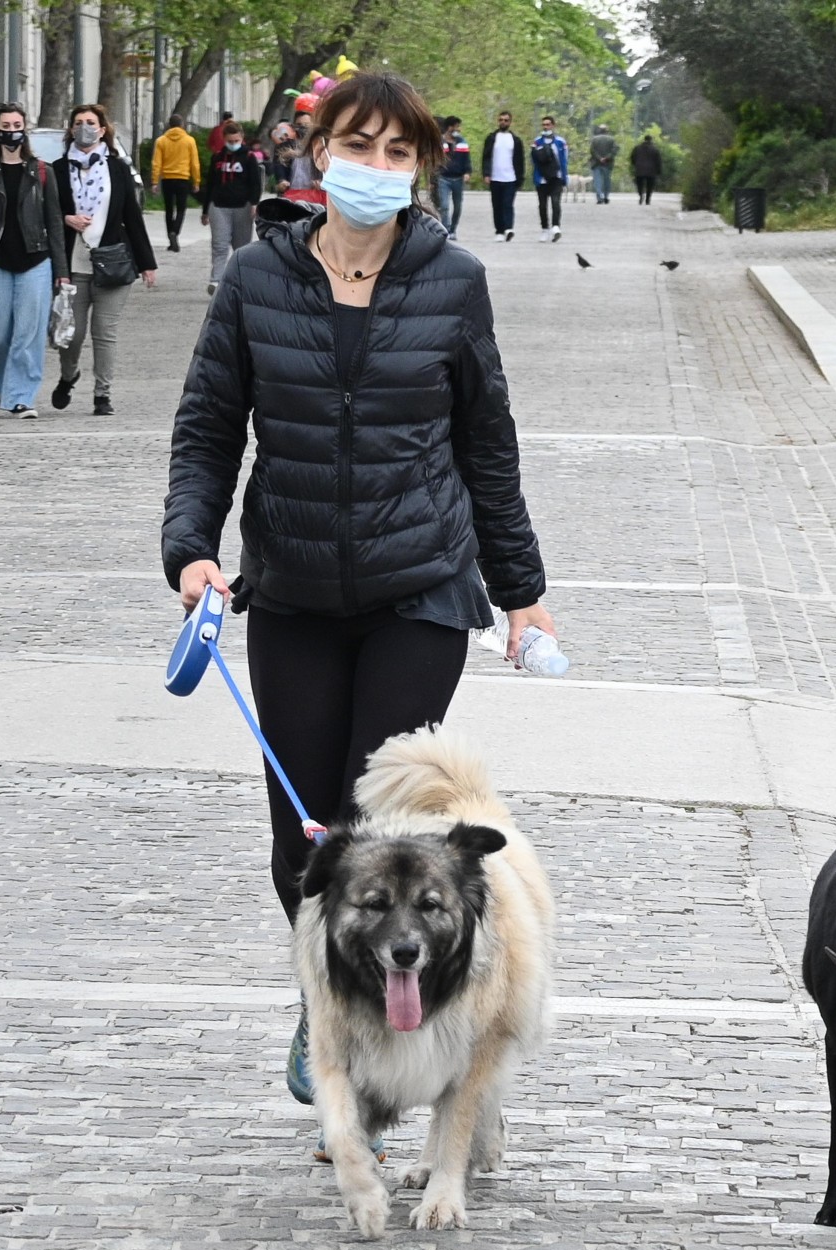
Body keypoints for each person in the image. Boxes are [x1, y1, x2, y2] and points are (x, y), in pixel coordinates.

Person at [163, 72, 558, 1125]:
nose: (377, 168)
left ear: (420, 166)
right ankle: (321, 1000)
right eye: (359, 146)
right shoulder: (254, 277)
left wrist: (521, 593)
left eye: (397, 153)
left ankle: (393, 1028)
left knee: (375, 824)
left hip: (418, 589)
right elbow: (208, 427)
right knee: (305, 840)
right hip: (290, 587)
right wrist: (190, 550)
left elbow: (487, 441)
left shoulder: (453, 278)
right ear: (316, 151)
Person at [0, 103, 69, 421]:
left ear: (25, 128)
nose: (11, 130)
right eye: (5, 125)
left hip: (36, 261)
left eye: (17, 124)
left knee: (28, 333)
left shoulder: (42, 171)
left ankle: (21, 397)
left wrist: (62, 271)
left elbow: (55, 222)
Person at [50, 103, 158, 417]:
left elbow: (132, 217)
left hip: (112, 261)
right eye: (79, 122)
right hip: (73, 265)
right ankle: (69, 376)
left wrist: (147, 263)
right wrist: (65, 218)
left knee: (104, 331)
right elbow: (44, 214)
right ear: (71, 129)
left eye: (91, 122)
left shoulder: (118, 168)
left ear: (102, 129)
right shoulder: (56, 170)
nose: (85, 127)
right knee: (72, 334)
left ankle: (102, 394)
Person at [202, 119, 265, 293]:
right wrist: (205, 210)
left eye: (236, 141)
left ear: (242, 138)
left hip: (242, 206)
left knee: (241, 247)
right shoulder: (217, 157)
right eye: (230, 141)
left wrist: (254, 203)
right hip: (219, 206)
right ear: (224, 139)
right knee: (219, 245)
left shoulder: (249, 157)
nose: (233, 144)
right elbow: (210, 184)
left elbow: (255, 183)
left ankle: (240, 281)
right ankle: (216, 281)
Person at [150, 114, 202, 251]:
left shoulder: (161, 141)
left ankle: (170, 236)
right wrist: (196, 181)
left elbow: (156, 163)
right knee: (181, 208)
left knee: (168, 209)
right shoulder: (189, 141)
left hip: (167, 179)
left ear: (169, 125)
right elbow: (195, 163)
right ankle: (175, 231)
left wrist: (155, 181)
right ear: (182, 125)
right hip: (183, 178)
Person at [481, 110, 525, 241]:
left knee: (508, 204)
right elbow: (486, 157)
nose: (503, 122)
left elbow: (520, 160)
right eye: (501, 120)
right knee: (497, 204)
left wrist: (520, 177)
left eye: (506, 120)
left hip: (510, 177)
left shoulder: (516, 140)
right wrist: (486, 173)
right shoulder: (491, 138)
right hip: (495, 177)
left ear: (510, 122)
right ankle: (499, 230)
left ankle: (509, 228)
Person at [530, 114, 568, 241]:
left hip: (556, 177)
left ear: (553, 125)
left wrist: (564, 176)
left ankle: (556, 226)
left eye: (548, 124)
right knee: (542, 205)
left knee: (556, 202)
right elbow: (534, 160)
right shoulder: (537, 142)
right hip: (542, 178)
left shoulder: (560, 142)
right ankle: (544, 228)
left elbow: (564, 160)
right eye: (544, 125)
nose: (546, 127)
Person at [283, 106, 326, 206]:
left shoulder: (319, 145)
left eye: (306, 125)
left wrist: (321, 182)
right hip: (292, 194)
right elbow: (280, 165)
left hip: (315, 195)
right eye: (298, 124)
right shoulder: (288, 144)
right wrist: (282, 180)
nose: (302, 127)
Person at [436, 116, 471, 237]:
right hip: (443, 178)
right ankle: (446, 229)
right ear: (450, 127)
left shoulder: (462, 143)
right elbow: (435, 160)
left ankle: (453, 229)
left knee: (457, 206)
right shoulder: (440, 142)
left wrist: (467, 172)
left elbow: (467, 160)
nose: (458, 129)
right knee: (444, 206)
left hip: (458, 178)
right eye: (456, 126)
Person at [629, 133, 663, 205]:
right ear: (651, 140)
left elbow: (632, 157)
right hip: (651, 170)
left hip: (639, 169)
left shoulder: (637, 148)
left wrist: (635, 164)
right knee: (650, 185)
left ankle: (641, 194)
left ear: (644, 139)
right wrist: (659, 171)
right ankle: (648, 198)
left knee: (639, 184)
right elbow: (658, 161)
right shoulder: (655, 149)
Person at [588, 123, 617, 204]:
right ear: (607, 131)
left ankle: (599, 197)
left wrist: (599, 158)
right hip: (607, 164)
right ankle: (606, 196)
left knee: (597, 181)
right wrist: (606, 157)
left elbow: (592, 151)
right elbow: (614, 150)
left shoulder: (594, 139)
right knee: (607, 180)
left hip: (596, 163)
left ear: (599, 130)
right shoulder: (611, 139)